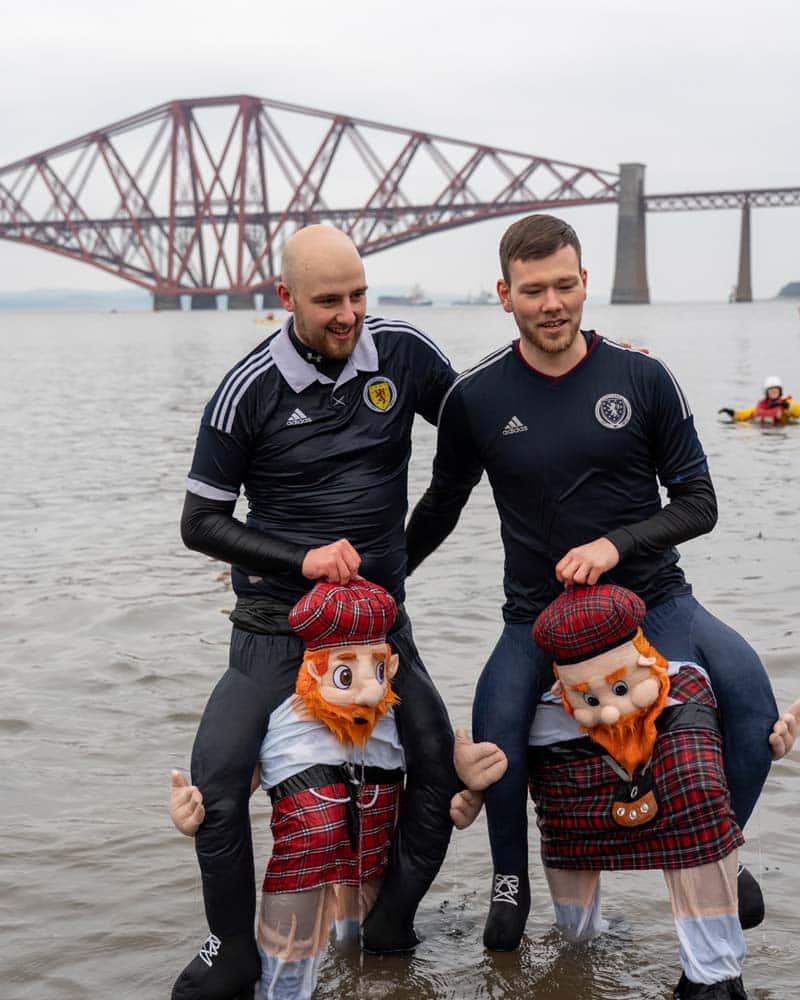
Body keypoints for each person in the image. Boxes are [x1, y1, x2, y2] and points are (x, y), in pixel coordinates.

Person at [405, 213, 781, 952]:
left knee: (753, 708)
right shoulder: (475, 397)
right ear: (504, 294)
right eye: (535, 289)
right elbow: (439, 509)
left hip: (655, 599)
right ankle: (509, 884)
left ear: (585, 283)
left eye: (566, 285)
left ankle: (723, 851)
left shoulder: (641, 376)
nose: (553, 303)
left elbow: (700, 504)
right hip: (535, 615)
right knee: (495, 735)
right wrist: (382, 581)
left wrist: (614, 545)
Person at [174, 224, 460, 999]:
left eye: (359, 295)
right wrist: (300, 559)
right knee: (218, 785)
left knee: (443, 767)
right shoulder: (246, 389)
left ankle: (391, 925)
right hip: (275, 625)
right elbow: (199, 524)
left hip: (379, 626)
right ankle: (231, 950)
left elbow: (477, 440)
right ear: (286, 299)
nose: (348, 314)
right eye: (328, 300)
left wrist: (406, 553)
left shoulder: (403, 353)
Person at [450, 584, 800, 1000]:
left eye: (619, 691)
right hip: (570, 789)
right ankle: (569, 938)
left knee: (696, 790)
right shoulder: (548, 701)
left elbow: (740, 723)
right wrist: (468, 785)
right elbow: (502, 761)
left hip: (659, 596)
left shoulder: (679, 675)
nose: (610, 710)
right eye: (591, 699)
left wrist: (765, 736)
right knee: (570, 912)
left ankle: (718, 929)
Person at [172, 580, 407, 1000]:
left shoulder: (392, 720)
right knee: (283, 984)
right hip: (298, 880)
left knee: (374, 971)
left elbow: (432, 780)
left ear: (389, 666)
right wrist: (190, 814)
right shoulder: (285, 722)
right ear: (315, 669)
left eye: (376, 671)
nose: (369, 691)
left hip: (369, 873)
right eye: (346, 672)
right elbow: (229, 793)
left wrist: (469, 787)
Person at [718, 375, 800, 425]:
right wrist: (731, 412)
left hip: (779, 431)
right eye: (771, 390)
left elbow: (798, 412)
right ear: (767, 392)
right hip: (762, 431)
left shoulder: (786, 405)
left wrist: (787, 406)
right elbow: (744, 415)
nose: (774, 392)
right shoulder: (762, 405)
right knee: (743, 426)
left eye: (776, 390)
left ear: (780, 391)